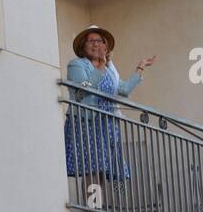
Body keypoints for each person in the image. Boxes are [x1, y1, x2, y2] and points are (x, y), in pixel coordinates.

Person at [63, 25, 157, 199]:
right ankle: (93, 210)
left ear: (106, 48)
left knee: (101, 169)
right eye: (91, 41)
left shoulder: (109, 70)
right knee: (91, 168)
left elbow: (124, 89)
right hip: (86, 123)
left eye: (100, 41)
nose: (96, 44)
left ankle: (98, 207)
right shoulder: (77, 65)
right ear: (83, 46)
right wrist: (99, 69)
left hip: (106, 125)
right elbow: (82, 90)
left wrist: (140, 67)